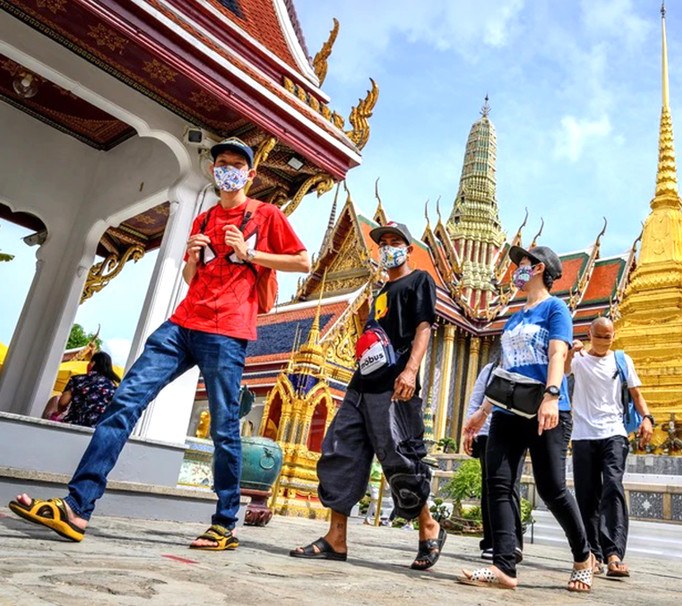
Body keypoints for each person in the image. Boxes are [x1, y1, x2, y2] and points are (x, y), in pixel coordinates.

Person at [10, 138, 310, 550]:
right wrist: (191, 257)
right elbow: (192, 280)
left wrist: (251, 253)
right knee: (124, 401)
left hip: (228, 331)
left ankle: (225, 523)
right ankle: (77, 507)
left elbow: (302, 261)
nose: (229, 170)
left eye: (237, 164)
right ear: (212, 170)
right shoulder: (203, 220)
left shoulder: (266, 215)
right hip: (183, 323)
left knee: (224, 429)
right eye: (222, 163)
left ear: (251, 174)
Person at [291, 222, 446, 570]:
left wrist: (411, 371)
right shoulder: (379, 292)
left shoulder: (419, 281)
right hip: (360, 386)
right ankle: (336, 538)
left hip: (395, 387)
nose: (387, 247)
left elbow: (424, 328)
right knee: (340, 451)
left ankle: (428, 526)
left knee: (400, 459)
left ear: (408, 250)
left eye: (395, 243)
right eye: (383, 242)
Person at [460, 245, 594, 592]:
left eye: (521, 264)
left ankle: (583, 556)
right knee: (499, 482)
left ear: (537, 269)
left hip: (546, 409)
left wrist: (552, 395)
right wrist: (482, 411)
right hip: (507, 409)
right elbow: (506, 369)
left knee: (552, 489)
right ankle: (504, 566)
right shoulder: (516, 315)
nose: (515, 270)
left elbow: (558, 352)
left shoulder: (555, 308)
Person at [566, 317, 654, 577]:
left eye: (609, 336)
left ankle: (613, 553)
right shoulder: (579, 360)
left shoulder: (622, 360)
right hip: (583, 435)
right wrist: (572, 351)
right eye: (599, 336)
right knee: (586, 495)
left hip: (614, 433)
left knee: (613, 487)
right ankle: (592, 554)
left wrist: (647, 418)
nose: (604, 341)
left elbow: (636, 394)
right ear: (589, 334)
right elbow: (563, 370)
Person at [462, 363, 524, 563]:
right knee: (490, 485)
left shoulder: (526, 368)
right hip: (487, 432)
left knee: (510, 484)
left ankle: (512, 542)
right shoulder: (489, 370)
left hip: (517, 429)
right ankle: (490, 541)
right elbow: (476, 399)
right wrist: (471, 429)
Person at [56, 351, 121, 428]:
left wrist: (60, 410)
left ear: (93, 363)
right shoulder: (112, 386)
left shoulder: (77, 379)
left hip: (73, 424)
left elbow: (63, 402)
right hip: (96, 429)